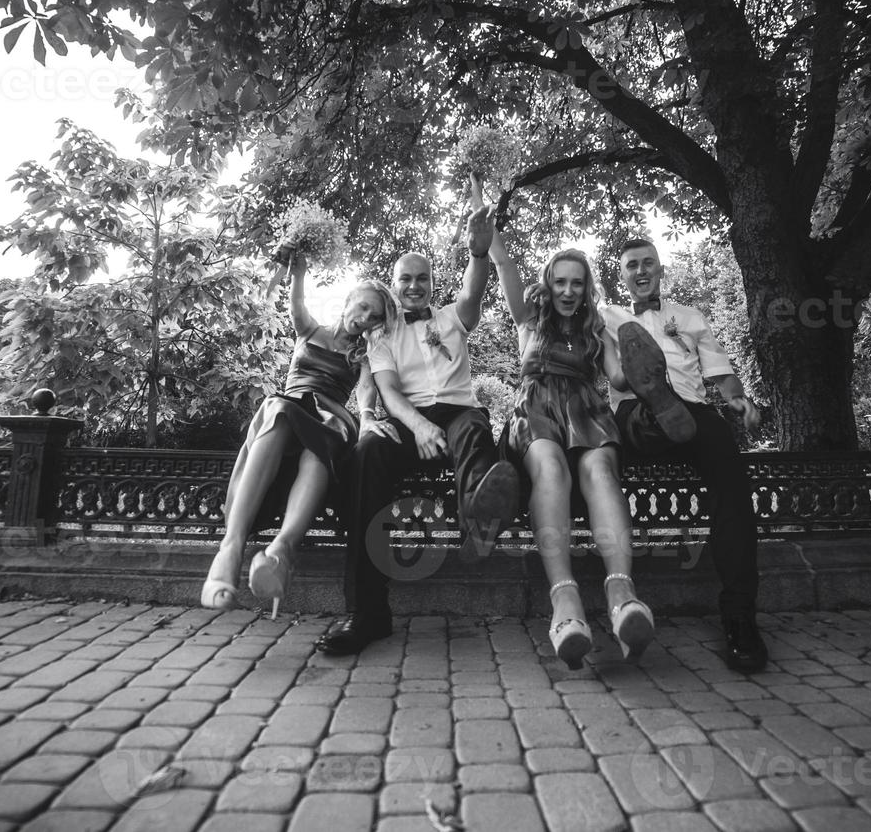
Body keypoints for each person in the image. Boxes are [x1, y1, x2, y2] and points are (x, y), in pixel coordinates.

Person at [316, 204, 520, 656]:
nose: (413, 286)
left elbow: (474, 288)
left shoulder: (453, 317)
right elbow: (388, 392)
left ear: (432, 283)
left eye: (421, 278)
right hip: (410, 420)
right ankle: (368, 614)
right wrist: (421, 427)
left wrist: (479, 252)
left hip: (459, 412)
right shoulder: (381, 336)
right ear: (395, 285)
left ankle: (480, 521)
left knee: (473, 429)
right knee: (367, 454)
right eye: (405, 279)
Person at [487, 228, 656, 669]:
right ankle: (566, 603)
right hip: (537, 410)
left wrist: (646, 370)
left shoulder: (596, 327)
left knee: (600, 472)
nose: (567, 290)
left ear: (586, 289)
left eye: (576, 283)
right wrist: (487, 226)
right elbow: (504, 265)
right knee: (551, 468)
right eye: (559, 281)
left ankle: (623, 595)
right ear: (548, 283)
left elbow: (618, 379)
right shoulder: (529, 317)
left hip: (586, 412)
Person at [602, 237, 768, 672]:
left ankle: (739, 616)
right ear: (621, 276)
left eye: (647, 264)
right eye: (631, 266)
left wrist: (738, 400)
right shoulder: (608, 317)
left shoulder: (689, 317)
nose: (640, 272)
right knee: (639, 416)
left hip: (693, 411)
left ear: (660, 270)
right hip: (634, 413)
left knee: (731, 487)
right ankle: (657, 402)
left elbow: (721, 372)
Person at [201, 251, 397, 619]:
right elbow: (296, 305)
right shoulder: (311, 331)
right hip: (290, 409)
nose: (365, 319)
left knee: (323, 441)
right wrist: (299, 273)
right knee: (279, 410)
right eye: (364, 308)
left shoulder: (363, 355)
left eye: (374, 317)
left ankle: (281, 551)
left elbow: (367, 392)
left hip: (331, 417)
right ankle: (231, 546)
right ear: (349, 301)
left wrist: (368, 418)